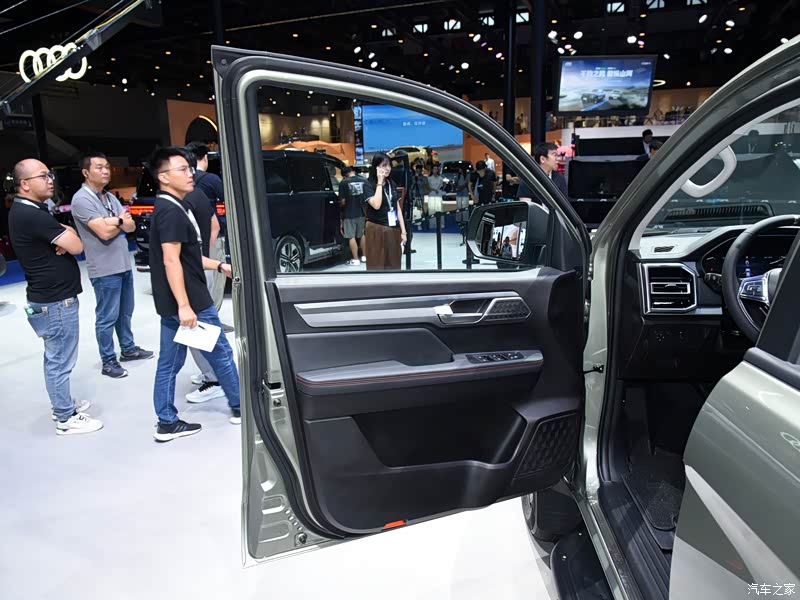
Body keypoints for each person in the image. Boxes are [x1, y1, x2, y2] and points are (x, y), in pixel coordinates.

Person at [146, 147, 239, 442]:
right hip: (190, 301)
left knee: (170, 363)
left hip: (175, 301)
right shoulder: (171, 211)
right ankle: (241, 408)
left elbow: (188, 256)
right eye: (183, 169)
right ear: (163, 177)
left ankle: (166, 421)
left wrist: (219, 265)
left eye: (189, 168)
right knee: (221, 353)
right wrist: (185, 305)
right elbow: (171, 261)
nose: (190, 173)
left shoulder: (174, 206)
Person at [8, 158, 103, 435]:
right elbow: (76, 245)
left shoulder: (30, 210)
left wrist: (67, 234)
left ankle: (62, 404)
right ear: (24, 184)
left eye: (49, 175)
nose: (50, 180)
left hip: (49, 299)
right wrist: (68, 236)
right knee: (59, 360)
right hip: (54, 301)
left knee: (56, 357)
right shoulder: (32, 215)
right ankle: (65, 416)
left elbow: (69, 237)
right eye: (43, 176)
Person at [71, 152, 153, 379]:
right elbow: (104, 232)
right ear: (86, 172)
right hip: (104, 268)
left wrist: (115, 222)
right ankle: (108, 360)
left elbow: (131, 226)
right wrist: (118, 221)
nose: (105, 171)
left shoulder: (109, 197)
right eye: (99, 167)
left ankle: (128, 348)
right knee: (107, 317)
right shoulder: (82, 199)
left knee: (125, 312)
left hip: (122, 264)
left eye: (107, 167)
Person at [185, 142, 227, 317]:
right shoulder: (211, 179)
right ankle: (211, 316)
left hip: (187, 239)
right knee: (215, 279)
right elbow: (229, 201)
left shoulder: (179, 184)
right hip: (210, 236)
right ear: (205, 158)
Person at [362, 153, 406, 270]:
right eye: (384, 165)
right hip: (376, 228)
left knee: (394, 264)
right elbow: (376, 205)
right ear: (376, 167)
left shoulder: (392, 184)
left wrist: (403, 231)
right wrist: (380, 183)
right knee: (376, 264)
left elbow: (397, 208)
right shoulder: (368, 184)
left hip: (393, 228)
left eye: (389, 165)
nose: (387, 168)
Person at [338, 166, 367, 266]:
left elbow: (342, 201)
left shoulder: (343, 183)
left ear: (344, 175)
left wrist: (340, 207)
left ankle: (355, 259)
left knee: (351, 236)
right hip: (361, 212)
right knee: (361, 234)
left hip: (349, 213)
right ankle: (364, 257)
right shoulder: (363, 180)